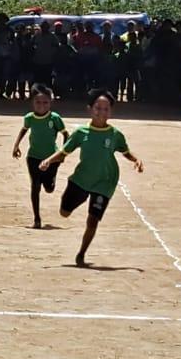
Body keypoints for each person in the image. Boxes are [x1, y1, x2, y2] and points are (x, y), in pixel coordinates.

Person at [39, 89, 143, 267]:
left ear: (111, 111)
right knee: (64, 213)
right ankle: (79, 198)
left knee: (93, 219)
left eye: (106, 109)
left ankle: (81, 254)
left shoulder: (115, 135)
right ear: (90, 109)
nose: (102, 112)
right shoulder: (81, 133)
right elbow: (65, 151)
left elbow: (125, 151)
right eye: (98, 108)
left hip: (105, 182)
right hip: (81, 180)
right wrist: (48, 160)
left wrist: (136, 160)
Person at [12, 85, 68, 229]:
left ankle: (51, 179)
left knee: (49, 188)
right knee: (35, 186)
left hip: (52, 158)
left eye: (45, 102)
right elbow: (24, 130)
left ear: (50, 102)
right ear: (32, 102)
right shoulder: (29, 118)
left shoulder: (55, 118)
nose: (41, 106)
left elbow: (66, 135)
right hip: (33, 157)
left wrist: (62, 153)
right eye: (38, 102)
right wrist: (16, 145)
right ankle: (37, 218)